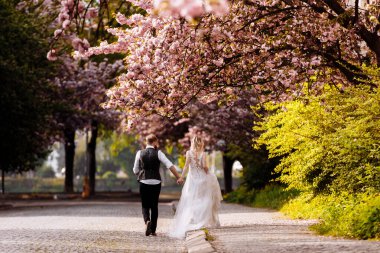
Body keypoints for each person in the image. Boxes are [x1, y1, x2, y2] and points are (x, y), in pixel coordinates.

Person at [169, 136, 223, 238]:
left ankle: (194, 219)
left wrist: (181, 177)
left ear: (192, 143)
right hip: (203, 179)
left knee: (192, 199)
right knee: (206, 199)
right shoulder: (203, 154)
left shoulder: (188, 153)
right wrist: (209, 173)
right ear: (201, 143)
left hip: (192, 180)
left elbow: (185, 166)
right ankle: (204, 220)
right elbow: (205, 167)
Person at [133, 134, 182, 236]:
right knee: (154, 205)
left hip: (144, 181)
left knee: (145, 205)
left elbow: (135, 170)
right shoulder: (158, 153)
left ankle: (147, 221)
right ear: (154, 142)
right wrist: (178, 177)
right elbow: (170, 165)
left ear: (146, 142)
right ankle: (153, 230)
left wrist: (141, 173)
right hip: (156, 182)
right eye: (157, 142)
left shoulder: (140, 153)